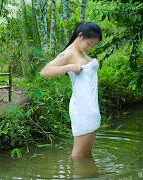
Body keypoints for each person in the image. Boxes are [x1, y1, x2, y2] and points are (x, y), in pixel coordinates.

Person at [40, 22, 103, 159]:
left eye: (93, 45)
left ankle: (89, 174)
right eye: (90, 43)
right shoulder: (68, 54)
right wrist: (68, 68)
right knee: (79, 154)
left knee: (86, 153)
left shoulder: (81, 52)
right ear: (80, 36)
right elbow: (45, 72)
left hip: (91, 107)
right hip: (82, 108)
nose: (90, 47)